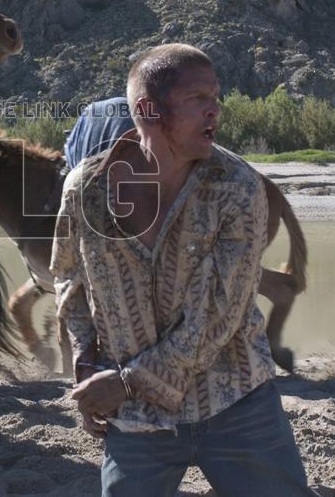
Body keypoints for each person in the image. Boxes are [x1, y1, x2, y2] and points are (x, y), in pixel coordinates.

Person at [51, 44, 313, 495]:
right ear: (149, 110)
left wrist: (124, 383)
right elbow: (70, 280)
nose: (215, 110)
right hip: (137, 423)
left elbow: (217, 321)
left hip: (237, 404)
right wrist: (85, 360)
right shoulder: (85, 191)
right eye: (198, 99)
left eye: (216, 97)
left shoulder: (238, 188)